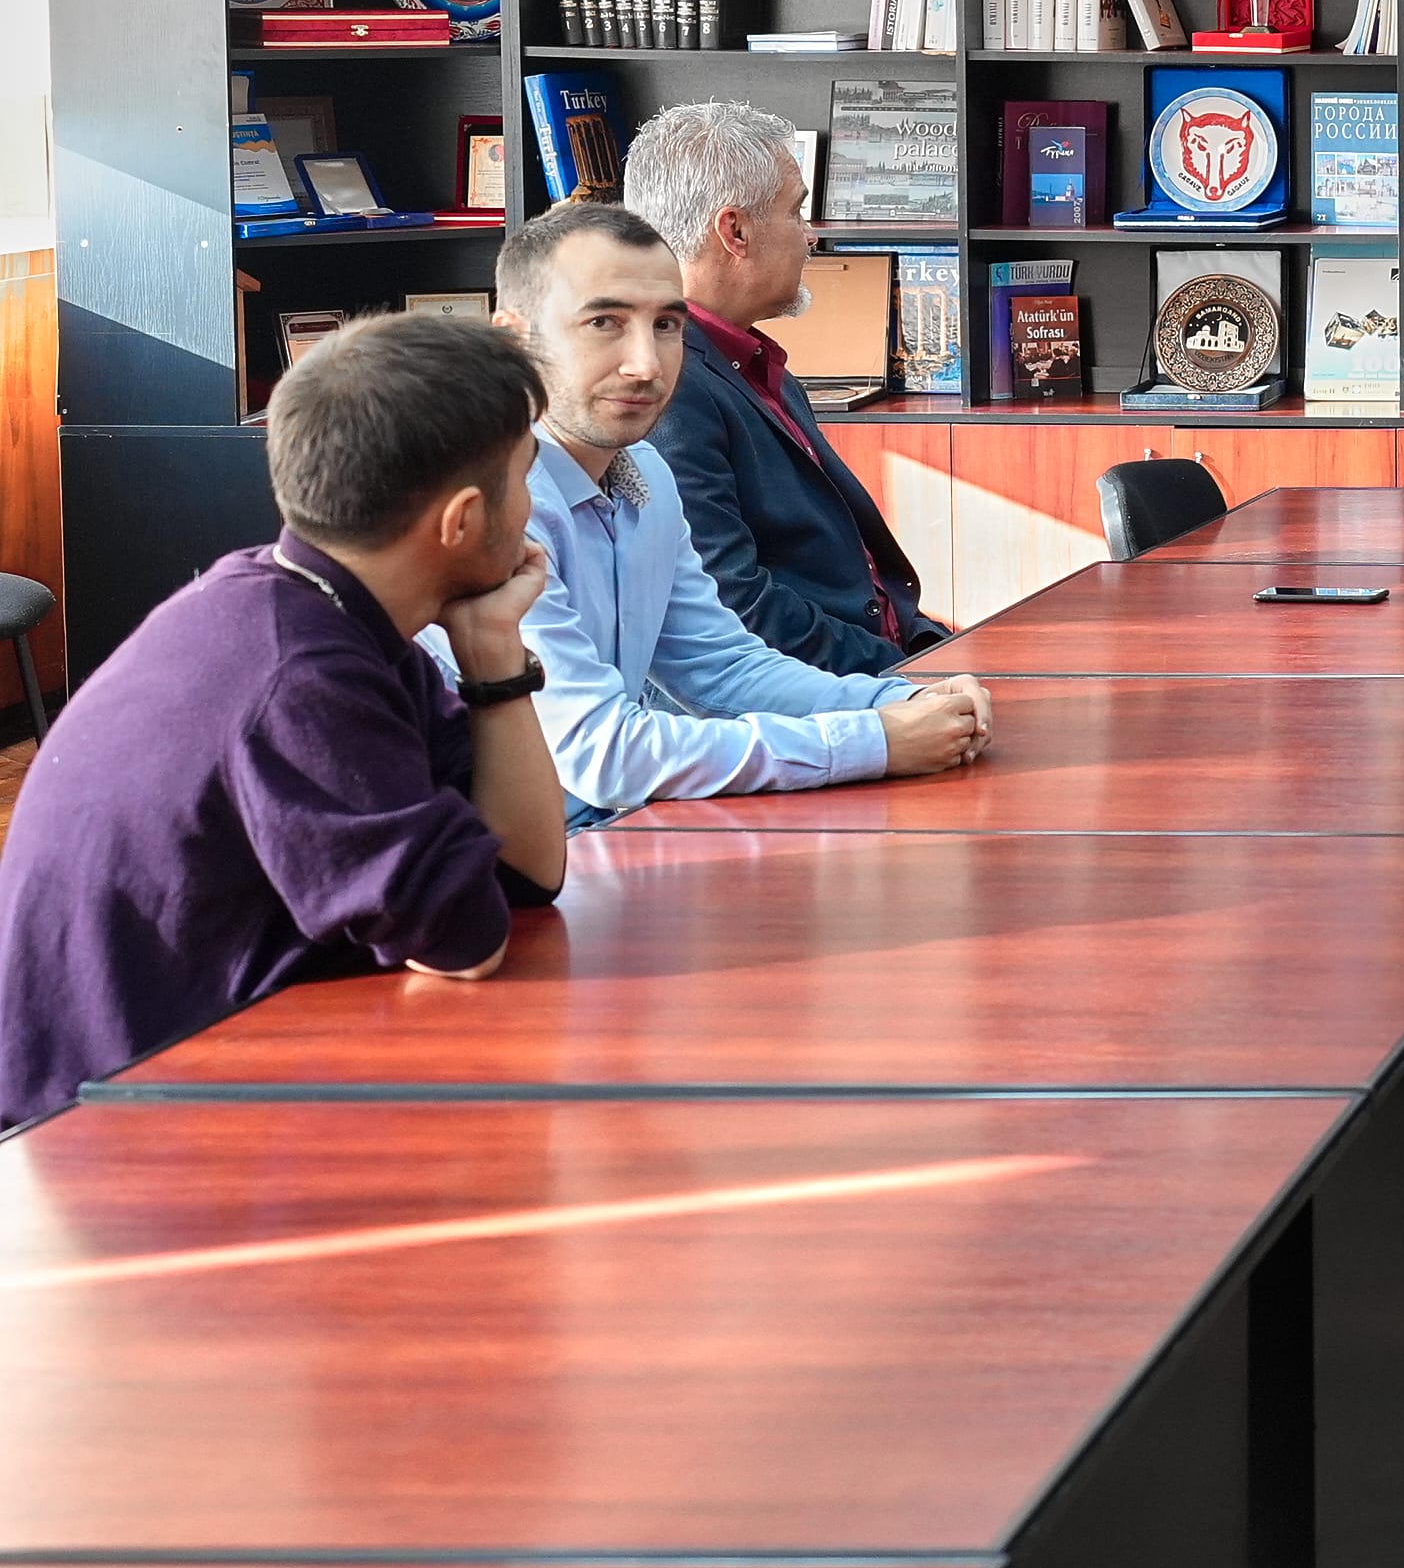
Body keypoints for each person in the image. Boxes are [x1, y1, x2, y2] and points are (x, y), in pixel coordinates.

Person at [0, 318, 568, 1130]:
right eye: (525, 477)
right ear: (462, 519)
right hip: (100, 1131)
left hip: (203, 1077)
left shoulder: (322, 609)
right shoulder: (297, 674)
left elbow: (524, 877)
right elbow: (466, 940)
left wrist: (493, 655)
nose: (532, 509)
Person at [471, 201, 994, 824]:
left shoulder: (647, 475)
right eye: (604, 322)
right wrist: (872, 740)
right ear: (513, 340)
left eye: (667, 325)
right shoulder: (488, 508)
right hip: (497, 864)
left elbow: (721, 667)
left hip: (607, 834)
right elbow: (602, 755)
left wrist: (897, 699)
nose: (646, 364)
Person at [624, 101, 949, 677]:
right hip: (820, 696)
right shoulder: (670, 386)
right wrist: (905, 676)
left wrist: (931, 647)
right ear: (736, 231)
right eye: (797, 212)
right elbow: (735, 607)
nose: (811, 236)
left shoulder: (750, 361)